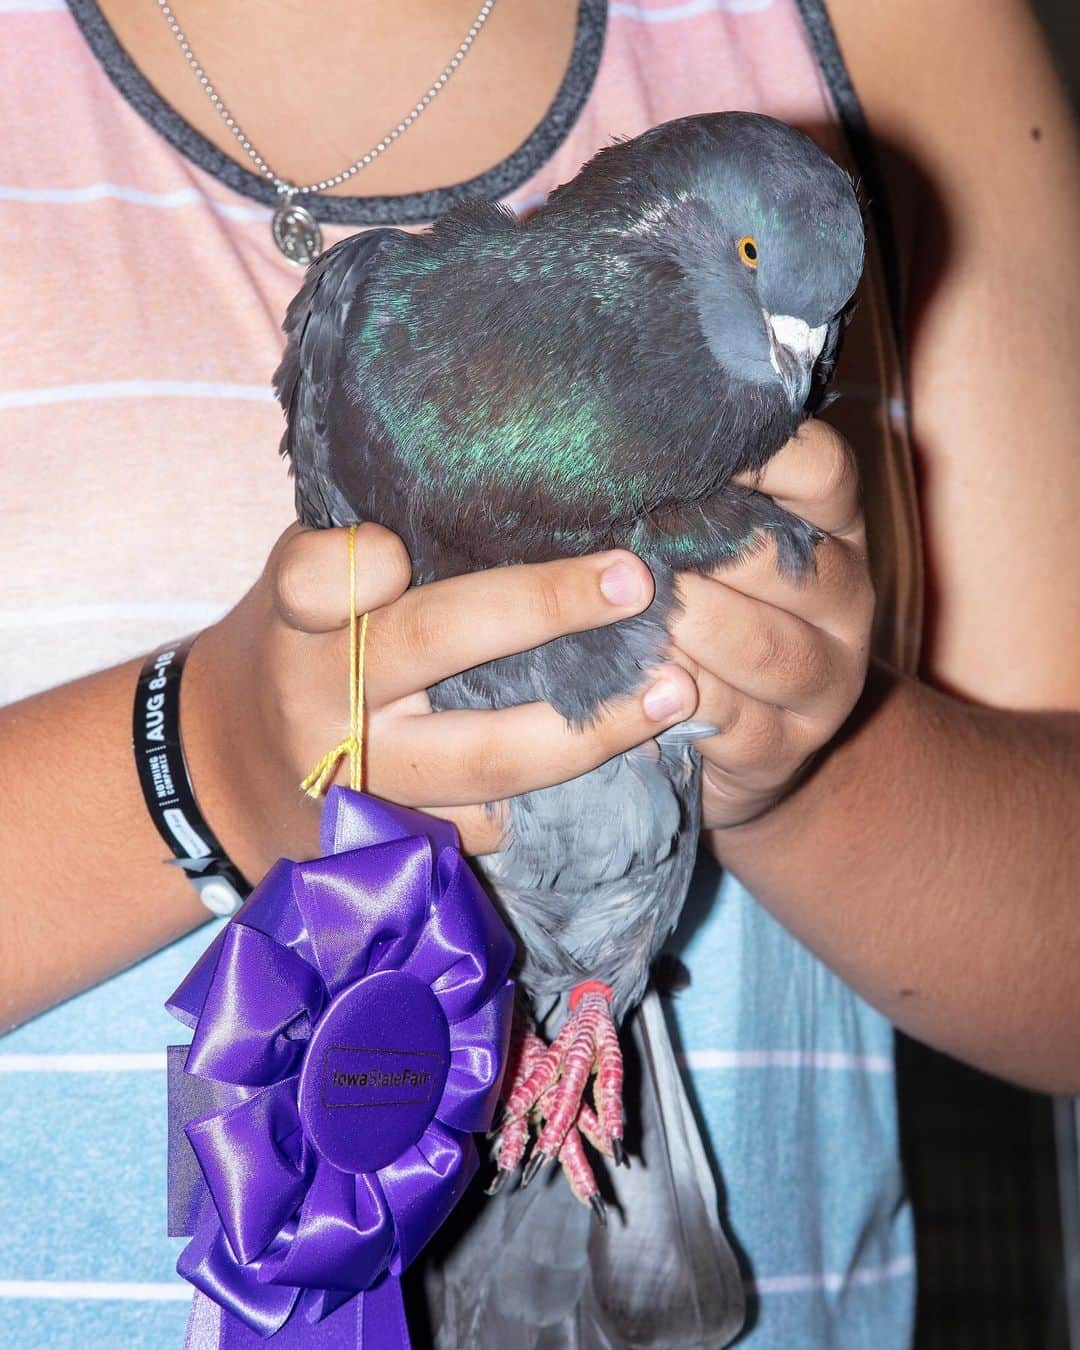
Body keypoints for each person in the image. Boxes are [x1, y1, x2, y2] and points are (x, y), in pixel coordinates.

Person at [0, 0, 1076, 1345]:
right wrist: (202, 763)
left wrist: (805, 764)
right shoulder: (375, 315)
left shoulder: (894, 37)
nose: (796, 363)